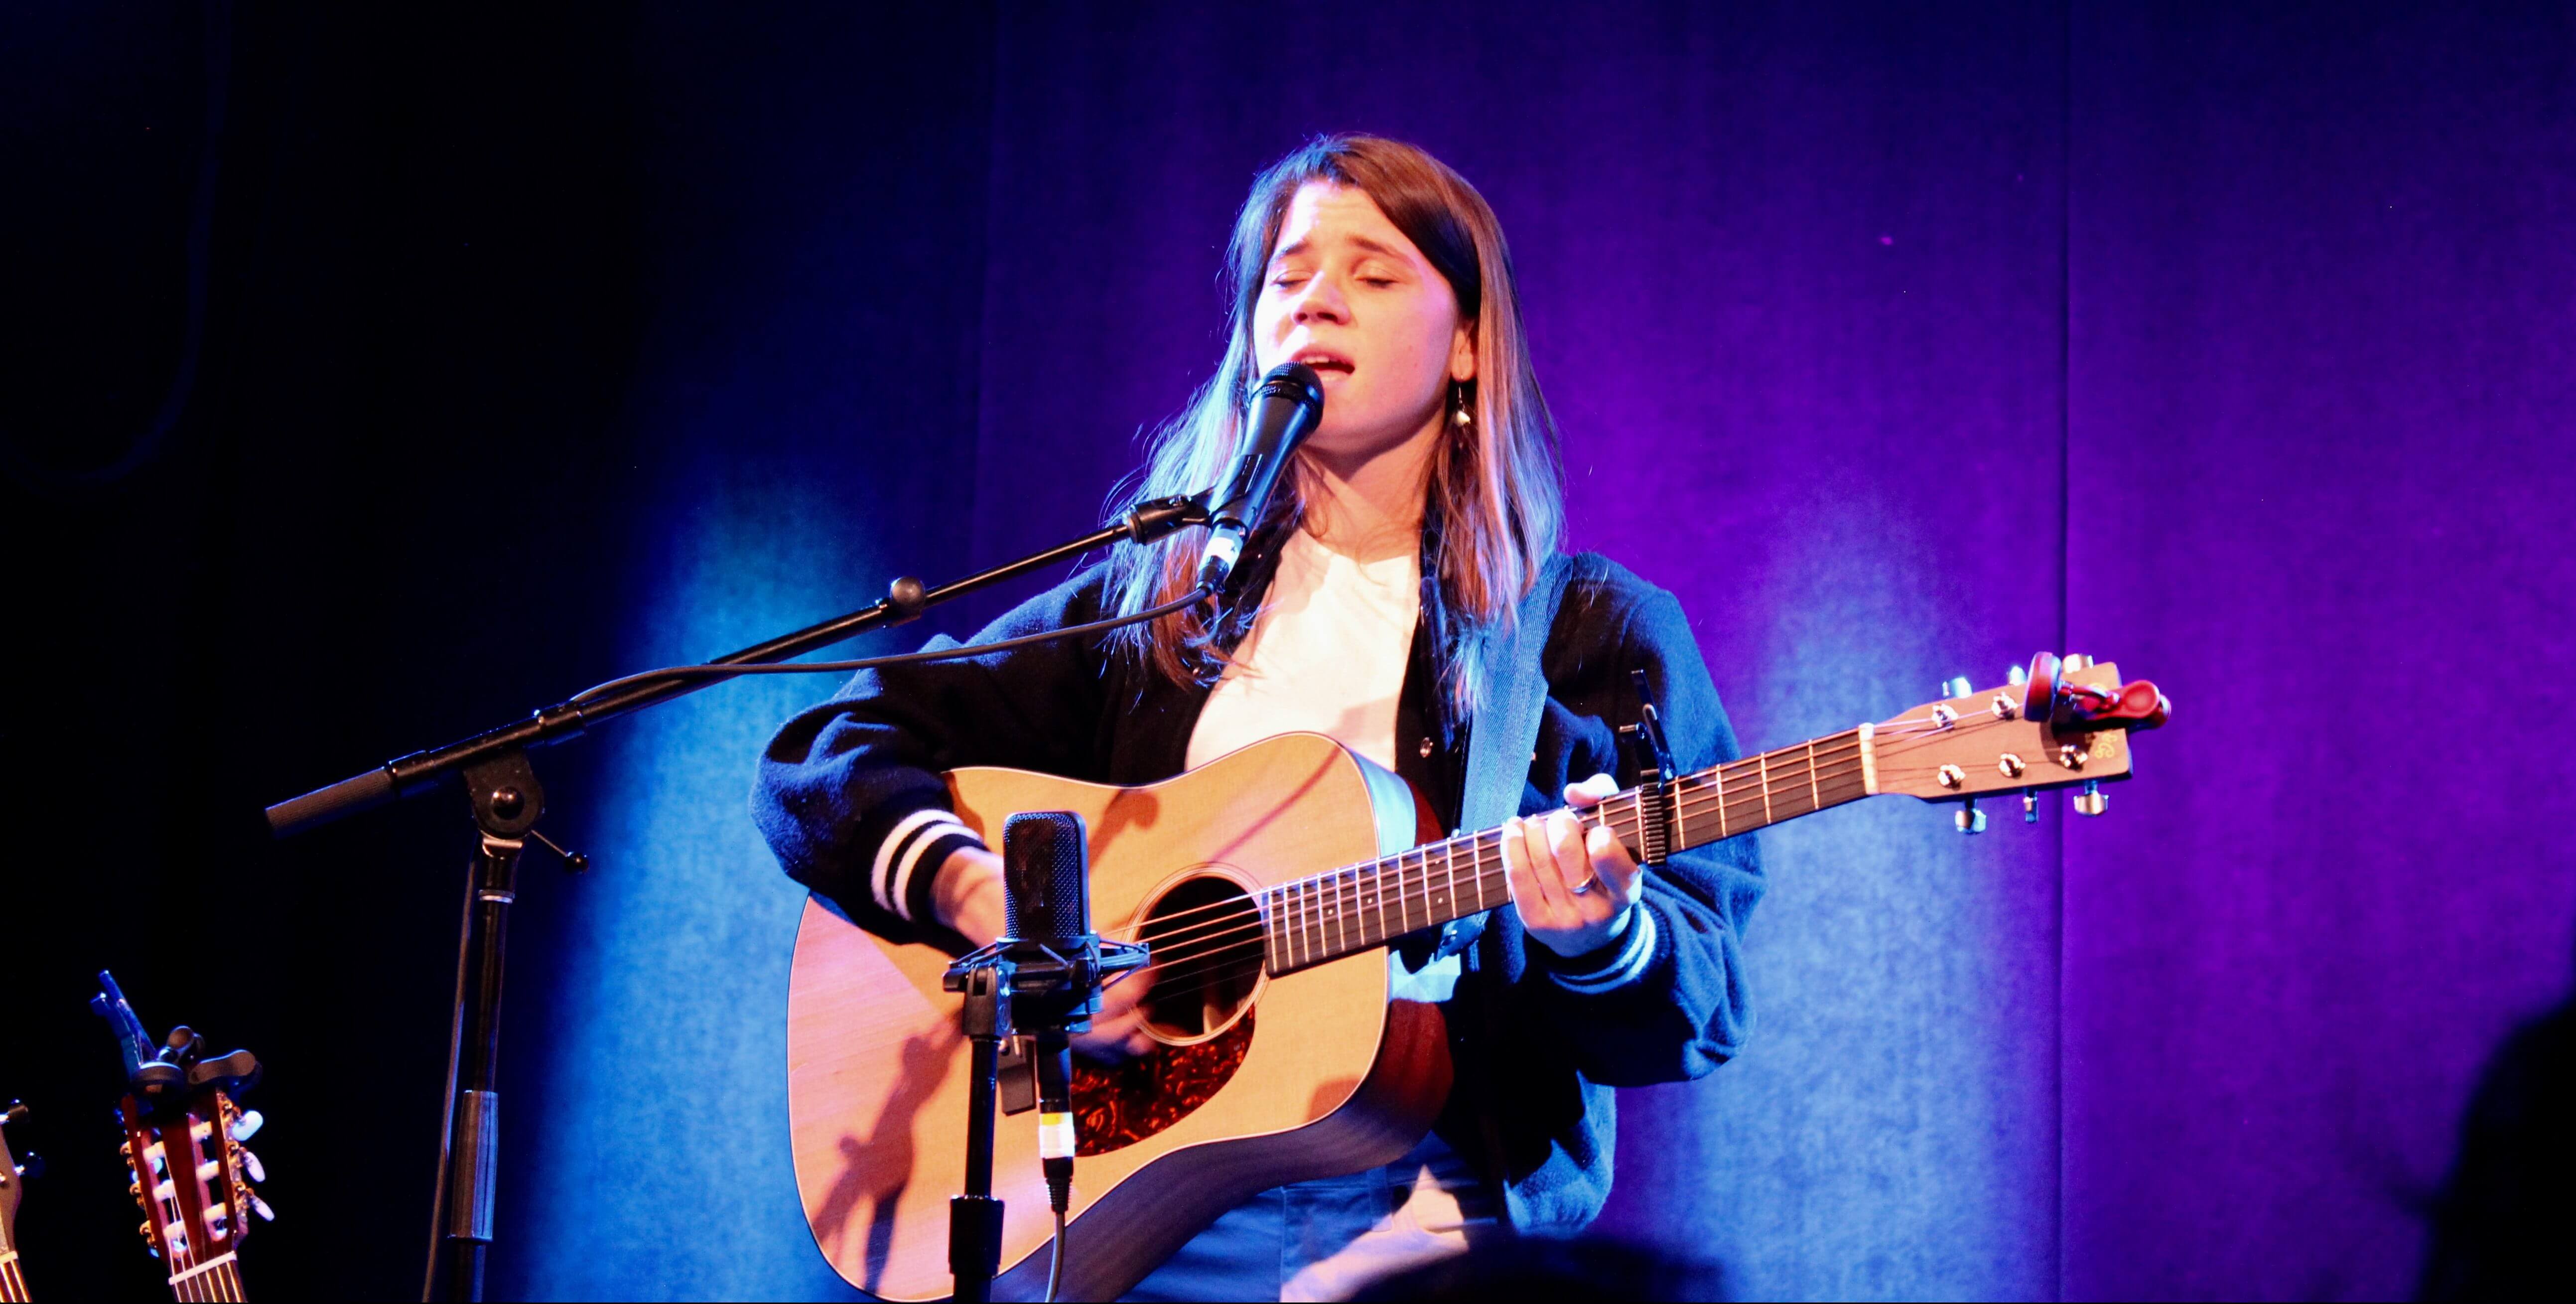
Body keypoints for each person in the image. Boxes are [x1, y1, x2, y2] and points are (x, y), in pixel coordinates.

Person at [756, 134, 1763, 1302]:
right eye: (1288, 278)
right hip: (1140, 1214)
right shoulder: (1152, 610)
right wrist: (981, 895)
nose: (1316, 300)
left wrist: (1602, 940)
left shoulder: (1590, 631)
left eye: (1373, 274)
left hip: (1425, 1220)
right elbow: (822, 758)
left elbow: (1698, 1008)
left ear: (1468, 344)